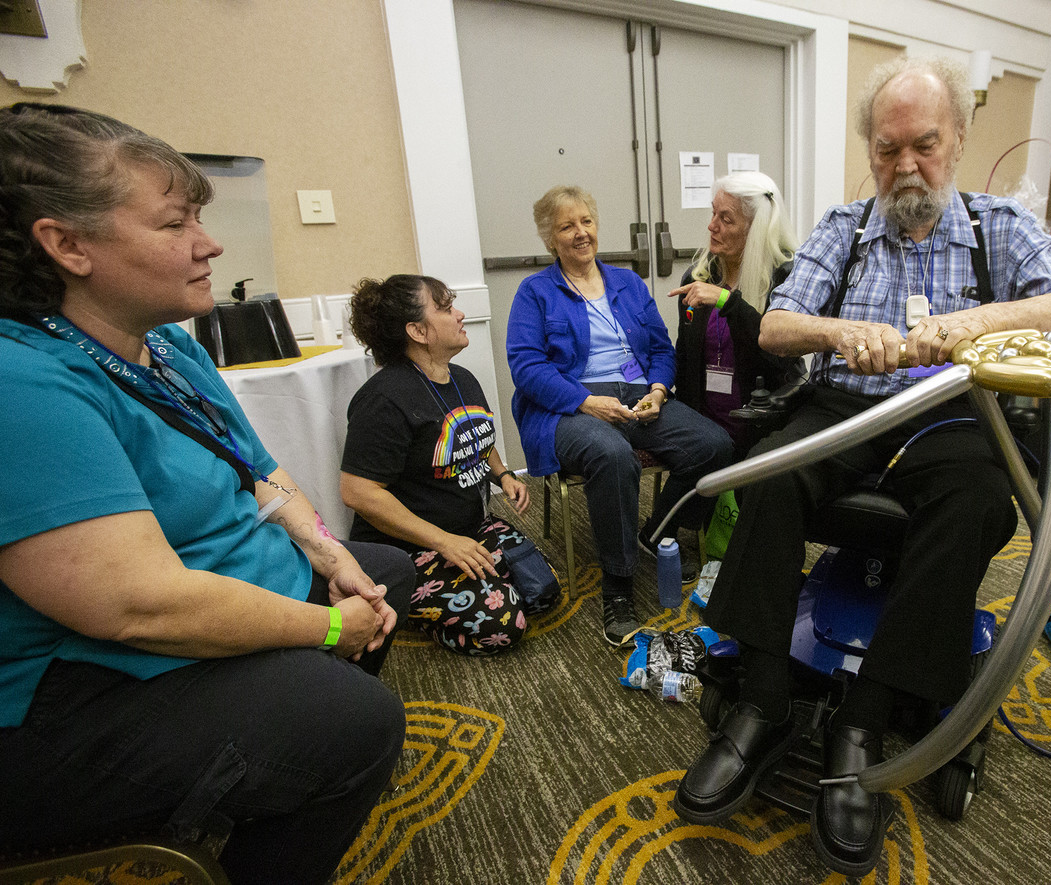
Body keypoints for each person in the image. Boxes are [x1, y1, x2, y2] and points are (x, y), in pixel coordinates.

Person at [673, 58, 1051, 876]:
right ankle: (764, 702)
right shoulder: (843, 227)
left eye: (925, 145)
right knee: (766, 472)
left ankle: (862, 725)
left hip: (950, 414)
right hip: (845, 405)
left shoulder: (998, 227)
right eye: (887, 149)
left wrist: (978, 321)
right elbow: (775, 329)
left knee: (979, 504)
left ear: (959, 141)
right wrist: (838, 334)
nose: (906, 166)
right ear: (870, 152)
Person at [0, 103, 414, 885]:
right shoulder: (22, 384)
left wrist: (328, 551)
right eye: (174, 223)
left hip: (204, 596)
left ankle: (273, 776)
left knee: (384, 568)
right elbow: (137, 604)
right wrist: (328, 628)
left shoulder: (164, 347)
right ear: (66, 244)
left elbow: (262, 471)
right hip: (73, 694)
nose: (209, 241)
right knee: (357, 720)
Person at [507, 185, 733, 647]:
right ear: (551, 238)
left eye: (586, 221)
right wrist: (586, 403)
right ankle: (617, 588)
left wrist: (657, 389)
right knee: (612, 455)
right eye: (567, 226)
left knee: (716, 445)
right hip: (568, 404)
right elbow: (527, 368)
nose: (580, 233)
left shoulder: (628, 284)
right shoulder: (535, 292)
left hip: (636, 394)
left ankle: (659, 532)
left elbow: (657, 348)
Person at [341, 274, 545, 656]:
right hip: (407, 549)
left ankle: (465, 587)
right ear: (418, 330)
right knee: (503, 625)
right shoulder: (383, 399)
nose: (460, 314)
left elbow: (476, 436)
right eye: (447, 308)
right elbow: (358, 492)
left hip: (468, 528)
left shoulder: (462, 379)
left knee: (542, 589)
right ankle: (402, 604)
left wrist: (502, 475)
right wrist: (444, 542)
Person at [669, 171, 803, 458]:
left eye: (726, 219)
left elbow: (780, 361)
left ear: (756, 229)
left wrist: (728, 302)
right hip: (705, 427)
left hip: (762, 426)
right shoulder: (697, 277)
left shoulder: (786, 279)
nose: (711, 226)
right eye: (713, 213)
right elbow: (686, 358)